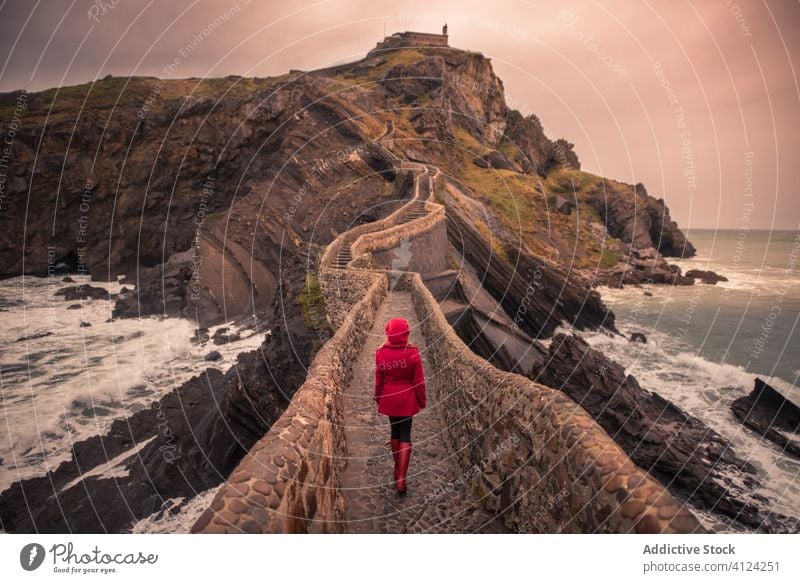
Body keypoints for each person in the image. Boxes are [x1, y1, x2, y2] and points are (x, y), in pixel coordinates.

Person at [374, 317, 426, 495]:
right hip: (407, 399)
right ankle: (402, 478)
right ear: (406, 333)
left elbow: (379, 379)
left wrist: (378, 396)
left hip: (390, 397)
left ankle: (398, 471)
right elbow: (419, 381)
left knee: (394, 432)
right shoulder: (412, 352)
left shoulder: (380, 353)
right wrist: (421, 400)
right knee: (405, 433)